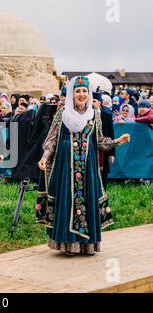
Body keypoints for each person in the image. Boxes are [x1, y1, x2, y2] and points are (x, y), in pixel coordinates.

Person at [36, 76, 131, 256]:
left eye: (84, 91)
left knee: (87, 201)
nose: (81, 94)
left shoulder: (94, 114)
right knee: (67, 202)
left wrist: (117, 142)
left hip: (87, 168)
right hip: (66, 167)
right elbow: (52, 140)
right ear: (72, 94)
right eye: (78, 91)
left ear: (89, 94)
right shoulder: (63, 113)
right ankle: (68, 244)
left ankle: (87, 245)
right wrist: (45, 157)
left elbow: (100, 141)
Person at [93, 93, 115, 189]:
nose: (91, 104)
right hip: (91, 147)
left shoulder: (106, 115)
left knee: (103, 174)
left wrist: (112, 153)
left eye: (94, 101)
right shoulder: (86, 115)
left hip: (104, 148)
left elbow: (111, 133)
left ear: (100, 103)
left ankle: (103, 197)